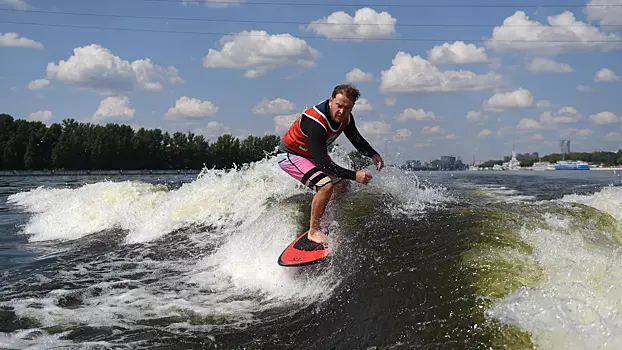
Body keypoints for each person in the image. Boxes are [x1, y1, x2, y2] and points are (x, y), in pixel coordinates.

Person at [276, 84, 384, 246]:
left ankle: (325, 220)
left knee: (343, 186)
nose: (341, 111)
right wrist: (355, 175)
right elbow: (323, 164)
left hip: (312, 155)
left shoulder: (346, 118)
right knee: (325, 186)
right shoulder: (316, 122)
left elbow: (356, 138)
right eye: (338, 106)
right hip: (291, 155)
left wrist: (373, 154)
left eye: (347, 108)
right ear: (331, 100)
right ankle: (313, 231)